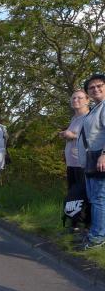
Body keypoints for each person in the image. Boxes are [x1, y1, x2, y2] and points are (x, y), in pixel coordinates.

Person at [80, 74, 105, 249]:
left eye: (99, 85)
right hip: (91, 158)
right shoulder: (96, 108)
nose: (96, 89)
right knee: (94, 197)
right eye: (91, 87)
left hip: (100, 157)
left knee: (99, 198)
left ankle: (97, 238)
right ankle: (97, 232)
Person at [59, 89, 90, 229]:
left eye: (79, 98)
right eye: (73, 98)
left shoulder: (89, 117)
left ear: (87, 100)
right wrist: (65, 135)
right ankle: (75, 224)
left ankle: (86, 225)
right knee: (73, 195)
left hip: (83, 163)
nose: (75, 100)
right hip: (71, 163)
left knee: (82, 195)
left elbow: (93, 138)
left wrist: (73, 136)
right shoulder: (74, 118)